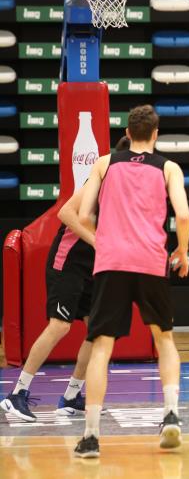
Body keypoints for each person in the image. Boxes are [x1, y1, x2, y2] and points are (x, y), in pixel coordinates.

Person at [72, 105, 189, 458]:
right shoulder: (169, 167)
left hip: (111, 263)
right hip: (152, 261)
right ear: (156, 134)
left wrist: (107, 239)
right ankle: (171, 414)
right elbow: (183, 215)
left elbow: (82, 215)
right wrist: (182, 252)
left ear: (128, 131)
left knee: (102, 346)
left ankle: (91, 436)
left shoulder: (104, 163)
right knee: (164, 338)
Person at [1, 137, 129, 422]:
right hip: (68, 262)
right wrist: (97, 242)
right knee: (59, 326)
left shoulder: (126, 191)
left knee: (97, 333)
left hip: (94, 268)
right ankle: (16, 394)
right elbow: (65, 213)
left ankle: (71, 396)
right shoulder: (99, 179)